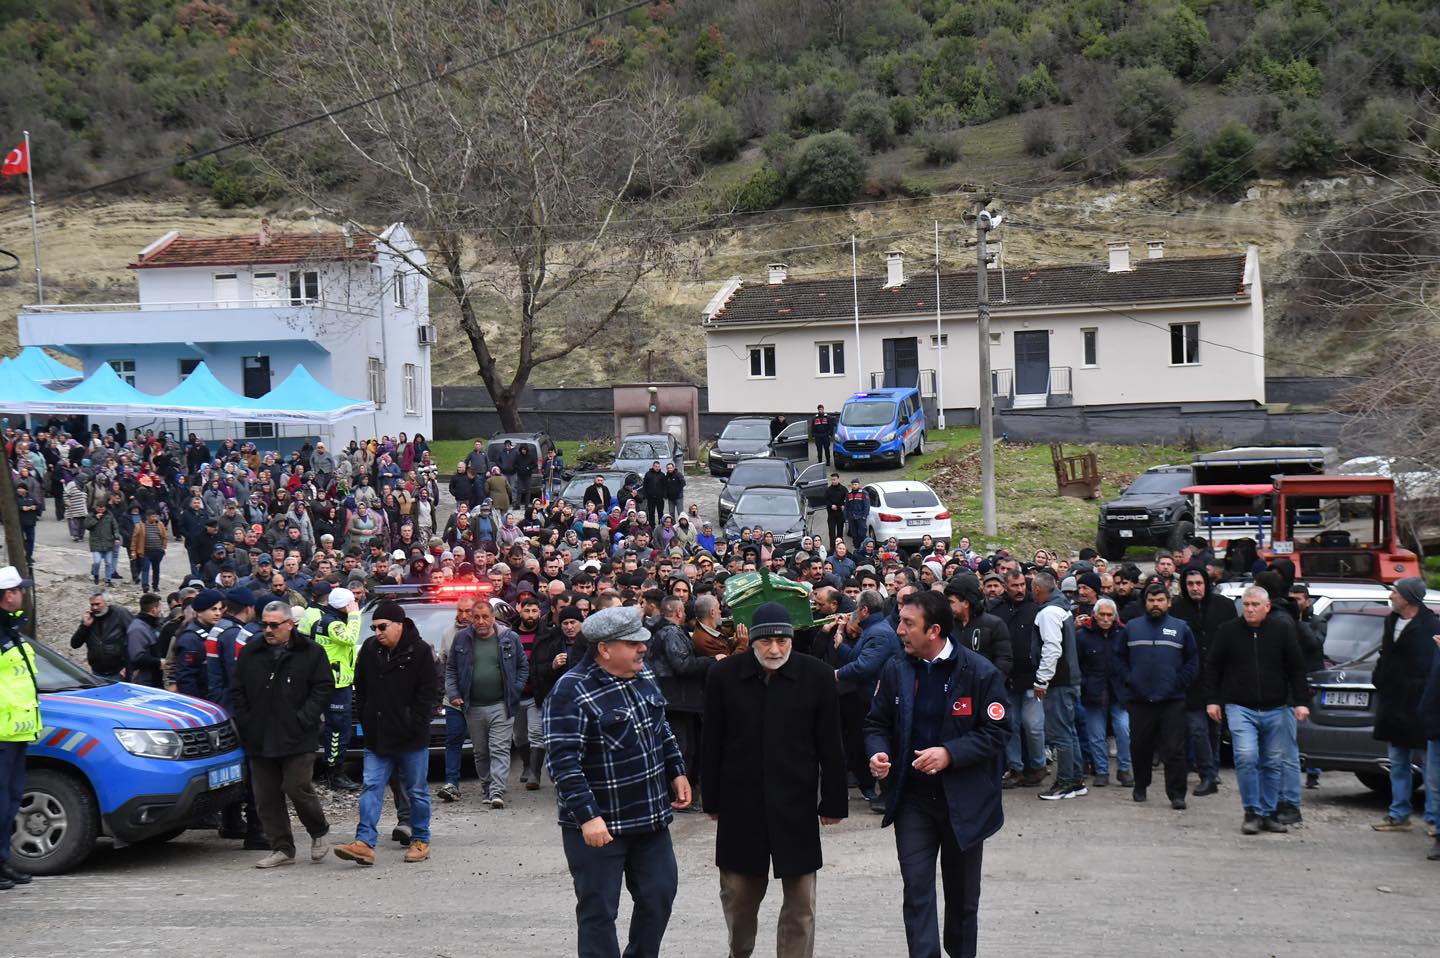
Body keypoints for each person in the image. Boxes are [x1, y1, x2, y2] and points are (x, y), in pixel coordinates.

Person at [864, 590, 1010, 958]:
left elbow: (998, 732)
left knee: (962, 901)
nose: (899, 630)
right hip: (913, 802)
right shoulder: (896, 669)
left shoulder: (979, 672)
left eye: (908, 623)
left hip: (965, 804)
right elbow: (876, 722)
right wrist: (878, 752)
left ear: (934, 631)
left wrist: (950, 753)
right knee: (916, 893)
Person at [543, 605, 692, 958]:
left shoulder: (643, 676)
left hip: (650, 819)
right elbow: (563, 763)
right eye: (633, 643)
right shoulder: (570, 692)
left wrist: (677, 770)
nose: (643, 648)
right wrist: (587, 817)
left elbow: (662, 729)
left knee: (659, 896)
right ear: (605, 649)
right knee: (598, 912)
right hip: (599, 827)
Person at [702, 602, 848, 958]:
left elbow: (831, 743)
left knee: (801, 905)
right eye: (765, 642)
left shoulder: (816, 676)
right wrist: (713, 801)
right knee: (738, 899)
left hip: (795, 805)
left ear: (791, 639)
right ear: (750, 641)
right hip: (740, 804)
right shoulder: (724, 676)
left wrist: (832, 801)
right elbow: (711, 743)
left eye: (782, 641)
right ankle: (740, 953)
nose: (774, 649)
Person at [232, 601, 335, 868]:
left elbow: (323, 688)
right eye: (264, 624)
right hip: (260, 736)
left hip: (298, 736)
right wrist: (246, 721)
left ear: (290, 625)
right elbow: (237, 689)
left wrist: (305, 718)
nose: (268, 629)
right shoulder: (251, 653)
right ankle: (282, 847)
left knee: (296, 787)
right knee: (265, 796)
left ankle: (318, 831)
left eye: (274, 625)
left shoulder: (311, 652)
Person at [334, 600, 437, 866]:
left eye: (382, 626)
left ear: (399, 625)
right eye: (374, 627)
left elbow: (429, 694)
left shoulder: (421, 651)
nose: (377, 632)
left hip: (411, 738)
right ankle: (364, 842)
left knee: (416, 790)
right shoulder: (369, 649)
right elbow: (362, 685)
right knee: (371, 786)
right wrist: (367, 717)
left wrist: (414, 723)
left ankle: (421, 839)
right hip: (378, 736)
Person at [1205, 586, 1310, 835]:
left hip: (1278, 707)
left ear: (1267, 607)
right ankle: (1251, 811)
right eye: (1246, 604)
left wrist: (1301, 701)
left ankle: (1268, 811)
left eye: (1255, 605)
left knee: (1273, 762)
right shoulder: (1228, 631)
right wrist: (1212, 700)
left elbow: (1296, 667)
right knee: (1246, 756)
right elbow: (1213, 667)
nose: (1250, 609)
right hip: (1240, 707)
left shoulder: (1282, 630)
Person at [1114, 584, 1198, 809]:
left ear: (1169, 602)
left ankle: (1177, 794)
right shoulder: (1132, 628)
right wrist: (1130, 679)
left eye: (1160, 600)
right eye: (1151, 601)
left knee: (1174, 750)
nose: (1155, 604)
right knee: (1140, 746)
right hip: (1140, 699)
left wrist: (1178, 682)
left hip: (1172, 700)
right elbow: (1119, 658)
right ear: (1145, 603)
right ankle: (1140, 785)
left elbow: (1192, 661)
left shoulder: (1181, 628)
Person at [1369, 576, 1439, 834]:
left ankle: (1433, 820)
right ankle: (1399, 814)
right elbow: (1385, 654)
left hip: (1420, 707)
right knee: (1396, 761)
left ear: (1409, 598)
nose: (1391, 596)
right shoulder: (1391, 620)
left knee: (1431, 768)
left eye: (1395, 592)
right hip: (1393, 704)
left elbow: (1433, 667)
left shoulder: (1431, 625)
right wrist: (1379, 677)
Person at [445, 599, 527, 808]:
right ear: (471, 618)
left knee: (499, 748)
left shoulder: (509, 638)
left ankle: (497, 791)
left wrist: (515, 689)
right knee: (481, 751)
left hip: (502, 703)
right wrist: (453, 693)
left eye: (485, 617)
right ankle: (487, 787)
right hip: (473, 706)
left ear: (493, 617)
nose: (481, 621)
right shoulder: (462, 639)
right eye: (476, 617)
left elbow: (522, 666)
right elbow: (451, 669)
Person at [1170, 565, 1237, 797]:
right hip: (1190, 680)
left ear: (1206, 584)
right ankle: (1207, 775)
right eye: (1190, 584)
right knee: (1197, 730)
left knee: (1214, 730)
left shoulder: (1224, 606)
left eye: (1199, 583)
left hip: (1218, 679)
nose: (1195, 588)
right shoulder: (1177, 609)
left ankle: (1213, 768)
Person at [832, 589, 900, 813]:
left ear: (864, 610)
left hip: (876, 697)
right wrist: (841, 643)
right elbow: (857, 657)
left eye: (856, 609)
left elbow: (865, 666)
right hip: (866, 697)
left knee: (880, 744)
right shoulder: (871, 629)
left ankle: (888, 792)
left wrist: (838, 674)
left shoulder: (878, 632)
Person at [299, 587, 363, 792]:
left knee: (338, 728)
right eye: (352, 602)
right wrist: (354, 614)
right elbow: (351, 638)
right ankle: (334, 772)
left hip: (338, 682)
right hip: (335, 685)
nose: (355, 604)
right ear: (345, 605)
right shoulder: (331, 623)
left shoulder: (330, 619)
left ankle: (331, 769)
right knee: (337, 729)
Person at [0, 566, 39, 891]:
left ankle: (3, 861)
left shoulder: (10, 628)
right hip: (2, 734)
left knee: (11, 802)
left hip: (16, 732)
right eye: (19, 590)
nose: (24, 594)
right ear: (7, 595)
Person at [1031, 572, 1084, 800]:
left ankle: (1065, 783)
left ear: (1037, 589)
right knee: (1069, 732)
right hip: (1069, 679)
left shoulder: (1048, 612)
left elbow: (1052, 648)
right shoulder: (1062, 608)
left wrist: (1042, 680)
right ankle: (1076, 779)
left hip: (1058, 682)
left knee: (1060, 734)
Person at [1076, 598, 1132, 789]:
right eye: (1102, 615)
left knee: (1124, 731)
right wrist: (1084, 684)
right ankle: (1101, 771)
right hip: (1093, 692)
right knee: (1096, 735)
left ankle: (1124, 770)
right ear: (1095, 615)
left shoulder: (1124, 633)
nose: (1106, 619)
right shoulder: (1082, 636)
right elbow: (1077, 664)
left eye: (1110, 615)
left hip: (1119, 692)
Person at [70, 590, 135, 680]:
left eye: (98, 604)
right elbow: (75, 644)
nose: (95, 607)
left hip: (119, 671)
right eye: (92, 605)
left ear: (107, 603)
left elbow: (135, 637)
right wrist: (84, 626)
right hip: (97, 672)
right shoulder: (89, 618)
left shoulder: (120, 613)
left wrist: (129, 666)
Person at [843, 479, 869, 551]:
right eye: (853, 484)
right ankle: (856, 548)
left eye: (856, 484)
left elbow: (867, 506)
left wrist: (864, 516)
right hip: (851, 517)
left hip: (860, 516)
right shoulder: (849, 494)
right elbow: (846, 506)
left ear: (859, 485)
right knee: (854, 534)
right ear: (851, 485)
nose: (854, 486)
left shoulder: (863, 493)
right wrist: (846, 516)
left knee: (862, 533)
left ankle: (863, 548)